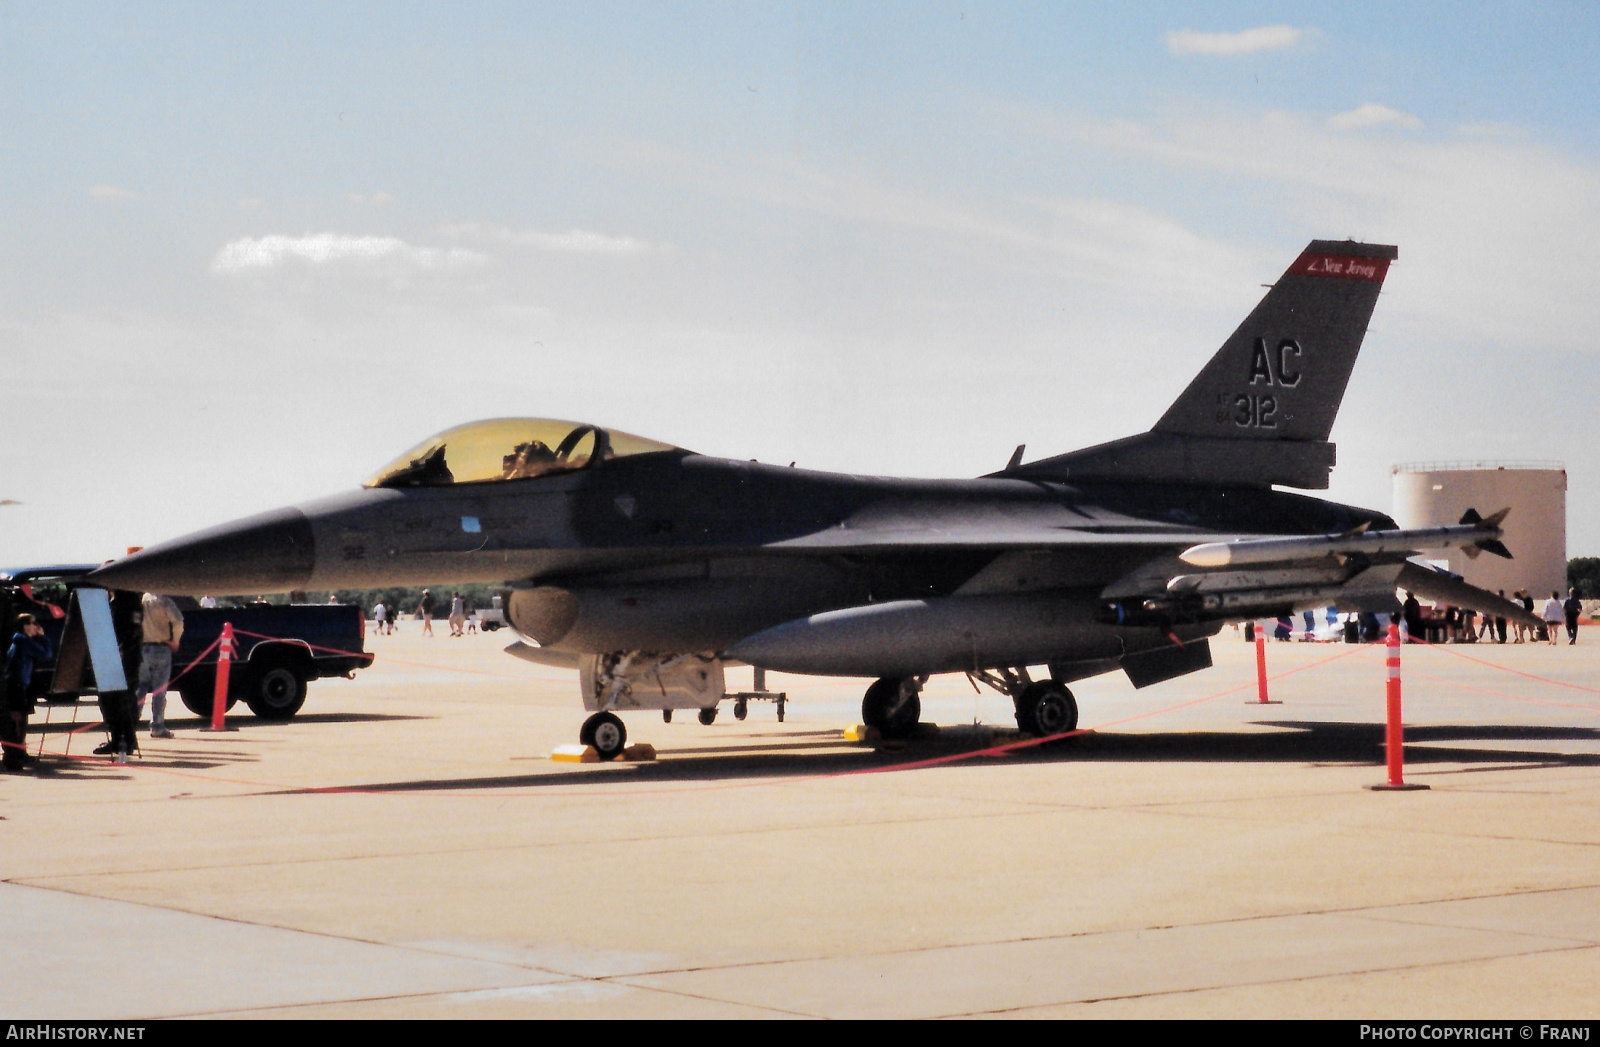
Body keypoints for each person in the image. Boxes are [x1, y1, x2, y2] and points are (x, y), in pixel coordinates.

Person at [3, 614, 53, 771]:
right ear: (25, 626)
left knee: (22, 718)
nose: (36, 626)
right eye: (33, 623)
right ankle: (16, 751)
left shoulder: (23, 641)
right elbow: (46, 654)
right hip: (16, 684)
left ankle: (20, 750)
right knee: (17, 718)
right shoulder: (23, 641)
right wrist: (43, 637)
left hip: (21, 683)